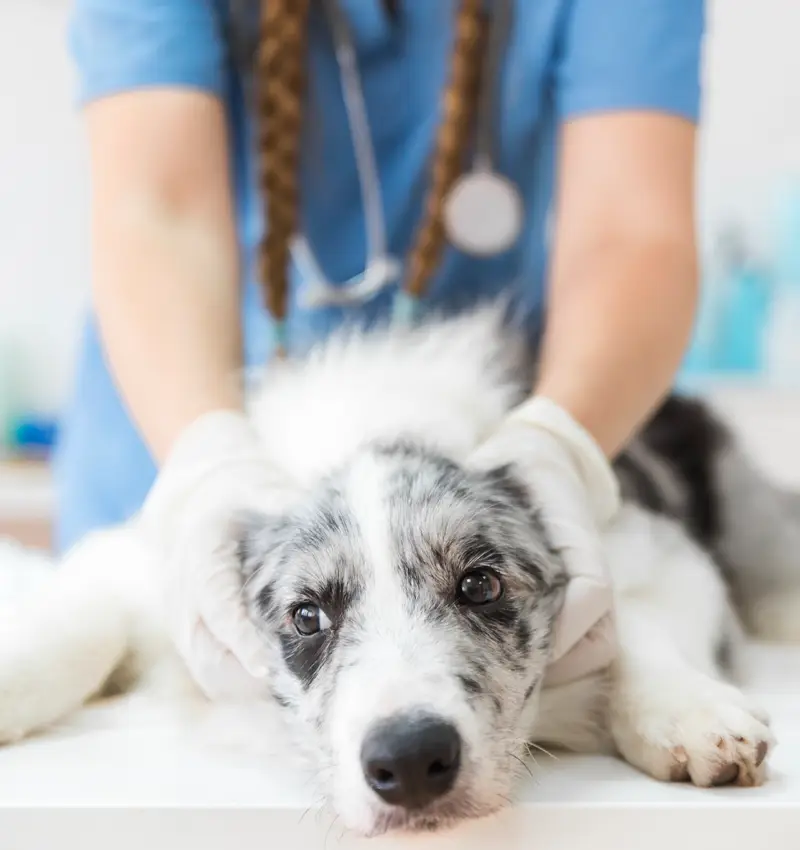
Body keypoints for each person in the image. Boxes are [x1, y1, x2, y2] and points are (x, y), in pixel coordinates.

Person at [57, 0, 703, 697]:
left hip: (479, 439)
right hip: (174, 438)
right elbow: (156, 212)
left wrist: (561, 442)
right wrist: (205, 462)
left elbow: (633, 229)